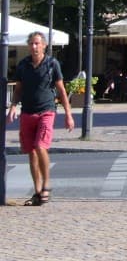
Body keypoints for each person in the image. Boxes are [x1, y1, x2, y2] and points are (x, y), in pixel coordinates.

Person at [7, 30, 74, 205]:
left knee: (40, 146)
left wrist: (68, 114)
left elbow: (61, 90)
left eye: (37, 43)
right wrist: (13, 106)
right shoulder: (23, 65)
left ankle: (46, 184)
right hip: (27, 112)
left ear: (44, 45)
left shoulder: (52, 64)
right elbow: (19, 89)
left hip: (46, 111)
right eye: (31, 43)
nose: (34, 46)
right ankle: (37, 192)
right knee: (31, 152)